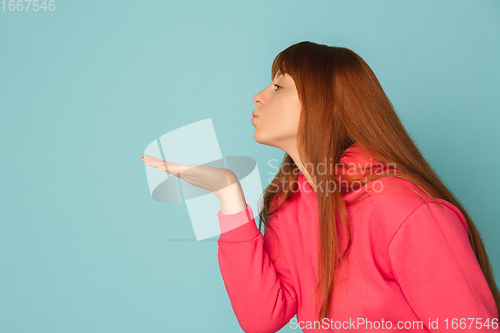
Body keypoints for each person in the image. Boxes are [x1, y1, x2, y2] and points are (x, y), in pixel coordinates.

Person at [142, 41, 500, 332]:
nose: (259, 96)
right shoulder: (290, 205)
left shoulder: (402, 209)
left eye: (279, 86)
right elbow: (261, 319)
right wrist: (228, 195)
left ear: (323, 104)